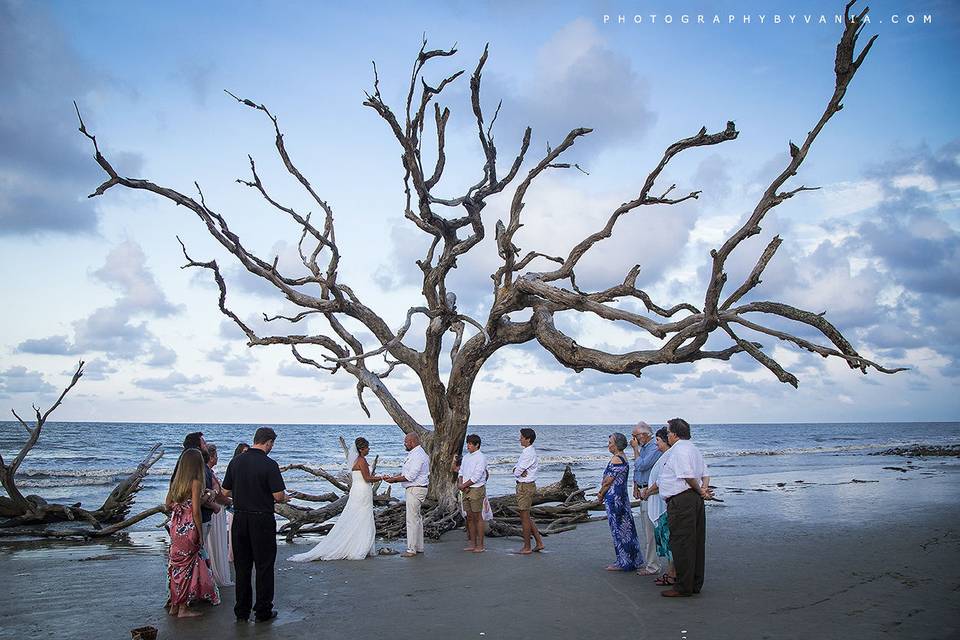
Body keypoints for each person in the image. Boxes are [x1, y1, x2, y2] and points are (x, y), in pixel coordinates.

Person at [221, 427, 287, 623]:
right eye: (272, 444)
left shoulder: (236, 462)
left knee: (242, 567)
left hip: (240, 518)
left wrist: (243, 494)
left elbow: (225, 492)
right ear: (268, 442)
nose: (271, 447)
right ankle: (263, 610)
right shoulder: (269, 464)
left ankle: (241, 611)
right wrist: (281, 497)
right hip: (262, 519)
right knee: (264, 566)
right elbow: (278, 496)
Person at [288, 437, 384, 561]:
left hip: (358, 490)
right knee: (362, 516)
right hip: (362, 491)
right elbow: (367, 478)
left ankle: (357, 544)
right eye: (367, 448)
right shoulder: (362, 460)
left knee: (357, 516)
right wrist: (382, 477)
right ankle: (358, 547)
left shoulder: (357, 460)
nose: (369, 449)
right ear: (361, 449)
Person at [657, 418, 712, 598]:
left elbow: (688, 476)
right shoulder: (693, 448)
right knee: (695, 542)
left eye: (668, 432)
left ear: (673, 434)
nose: (667, 435)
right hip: (692, 498)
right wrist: (703, 489)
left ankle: (683, 586)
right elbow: (705, 474)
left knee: (681, 542)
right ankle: (694, 582)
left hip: (682, 500)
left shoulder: (680, 450)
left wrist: (700, 491)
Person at [165, 448, 220, 618]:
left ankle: (175, 605)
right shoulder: (196, 482)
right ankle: (183, 608)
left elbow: (168, 504)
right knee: (188, 567)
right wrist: (200, 534)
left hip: (176, 524)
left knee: (176, 565)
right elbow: (196, 511)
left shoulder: (176, 481)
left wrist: (181, 506)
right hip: (188, 524)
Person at [597, 432, 643, 571]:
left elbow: (608, 482)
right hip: (622, 496)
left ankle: (623, 561)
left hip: (614, 498)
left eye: (610, 442)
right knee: (627, 528)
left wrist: (600, 494)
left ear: (617, 445)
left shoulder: (616, 459)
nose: (608, 445)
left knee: (618, 529)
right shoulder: (623, 457)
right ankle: (632, 559)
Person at [383, 432, 430, 557]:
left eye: (406, 442)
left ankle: (411, 549)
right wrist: (394, 476)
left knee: (412, 520)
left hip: (415, 489)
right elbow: (407, 472)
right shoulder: (415, 454)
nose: (404, 444)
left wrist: (394, 480)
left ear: (412, 442)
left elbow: (410, 476)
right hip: (415, 488)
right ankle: (419, 547)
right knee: (417, 519)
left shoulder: (418, 455)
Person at [641, 428, 677, 587]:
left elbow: (661, 482)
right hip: (657, 501)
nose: (656, 444)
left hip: (662, 505)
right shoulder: (665, 457)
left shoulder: (668, 457)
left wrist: (647, 492)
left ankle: (672, 573)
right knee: (665, 539)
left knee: (668, 541)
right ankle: (671, 572)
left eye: (658, 441)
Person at [631, 421, 662, 576]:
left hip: (651, 492)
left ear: (644, 435)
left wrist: (635, 449)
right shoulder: (643, 448)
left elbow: (642, 465)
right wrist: (635, 485)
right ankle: (651, 563)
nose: (634, 439)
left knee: (650, 531)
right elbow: (638, 469)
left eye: (635, 436)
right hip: (643, 490)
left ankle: (653, 566)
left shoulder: (654, 448)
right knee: (646, 529)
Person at [204, 444, 234, 587]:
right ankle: (216, 575)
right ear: (211, 457)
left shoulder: (208, 472)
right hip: (215, 512)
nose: (217, 458)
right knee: (215, 542)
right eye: (216, 455)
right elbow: (219, 495)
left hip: (216, 510)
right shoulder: (208, 473)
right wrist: (231, 502)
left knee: (213, 543)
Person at [513, 427, 544, 554]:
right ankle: (539, 542)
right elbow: (517, 470)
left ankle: (527, 547)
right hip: (525, 485)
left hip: (525, 487)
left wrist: (516, 471)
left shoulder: (528, 453)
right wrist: (517, 470)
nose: (519, 439)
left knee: (524, 517)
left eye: (521, 437)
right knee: (526, 516)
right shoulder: (527, 452)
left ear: (528, 439)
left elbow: (517, 471)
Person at [181, 431, 216, 540]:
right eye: (204, 444)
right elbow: (196, 506)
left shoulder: (181, 470)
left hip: (183, 521)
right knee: (199, 552)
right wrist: (210, 493)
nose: (206, 446)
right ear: (198, 448)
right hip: (197, 521)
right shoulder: (197, 472)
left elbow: (169, 503)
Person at [458, 434, 488, 553]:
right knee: (469, 517)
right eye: (468, 443)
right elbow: (461, 472)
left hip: (476, 489)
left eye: (471, 444)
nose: (468, 446)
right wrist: (460, 484)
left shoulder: (481, 457)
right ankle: (472, 543)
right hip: (465, 489)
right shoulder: (466, 457)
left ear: (477, 445)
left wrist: (464, 485)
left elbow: (477, 475)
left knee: (477, 517)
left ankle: (480, 545)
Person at [226, 442, 249, 563]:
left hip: (247, 506)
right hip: (235, 505)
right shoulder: (234, 466)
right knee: (234, 533)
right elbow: (226, 490)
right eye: (245, 452)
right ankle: (234, 556)